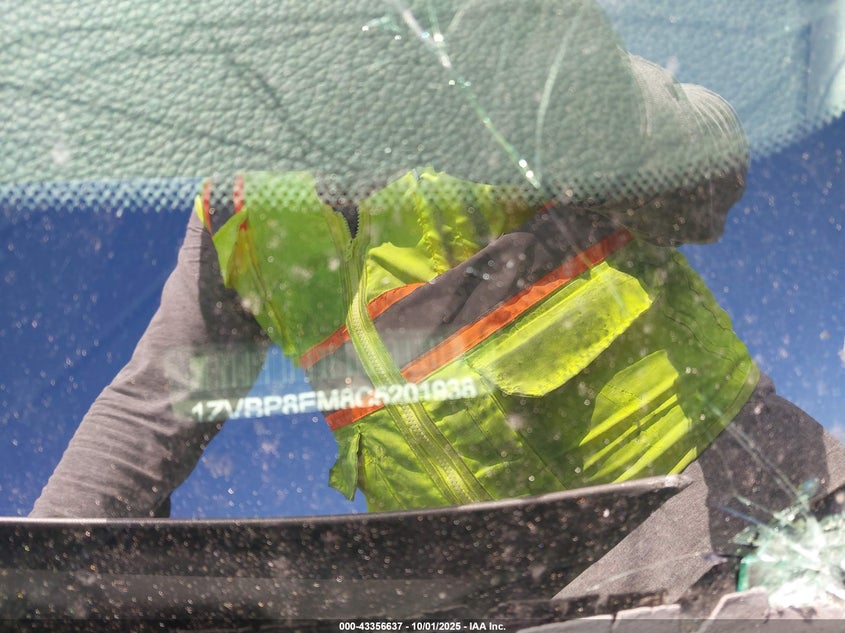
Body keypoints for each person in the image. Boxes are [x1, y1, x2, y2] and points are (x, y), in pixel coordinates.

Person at [30, 0, 845, 603]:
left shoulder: (481, 55)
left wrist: (589, 108)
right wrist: (34, 577)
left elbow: (709, 181)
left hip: (750, 521)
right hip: (497, 594)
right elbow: (152, 405)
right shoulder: (237, 213)